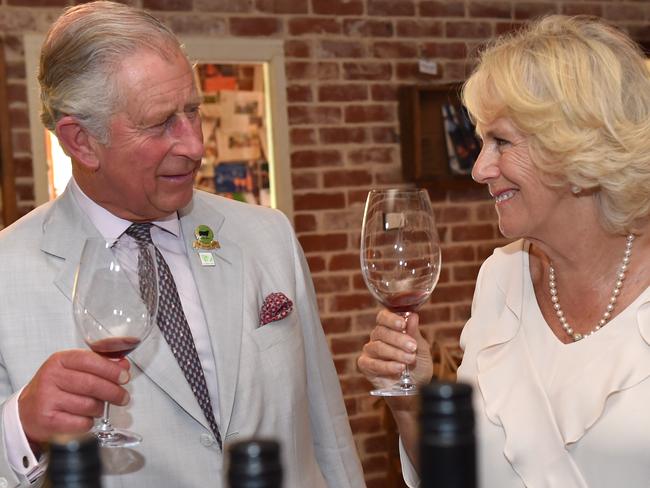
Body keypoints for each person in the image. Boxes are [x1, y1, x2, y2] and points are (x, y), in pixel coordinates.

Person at [0, 2, 365, 487]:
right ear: (81, 141)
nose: (194, 145)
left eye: (192, 111)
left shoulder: (267, 235)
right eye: (160, 123)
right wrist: (19, 430)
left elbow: (327, 430)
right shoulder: (8, 274)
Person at [358, 14, 650, 488]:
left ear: (579, 151)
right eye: (480, 142)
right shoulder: (501, 278)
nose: (478, 170)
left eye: (501, 142)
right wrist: (411, 403)